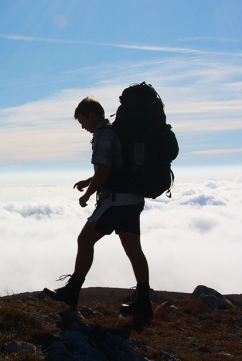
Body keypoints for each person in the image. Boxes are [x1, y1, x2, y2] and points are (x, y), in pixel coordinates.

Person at [43, 96, 153, 323]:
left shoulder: (103, 134)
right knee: (134, 250)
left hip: (115, 202)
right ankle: (143, 302)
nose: (83, 127)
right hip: (133, 199)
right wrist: (88, 181)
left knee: (84, 241)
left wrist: (87, 194)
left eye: (83, 121)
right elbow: (112, 168)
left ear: (92, 115)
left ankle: (72, 292)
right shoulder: (115, 131)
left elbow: (103, 170)